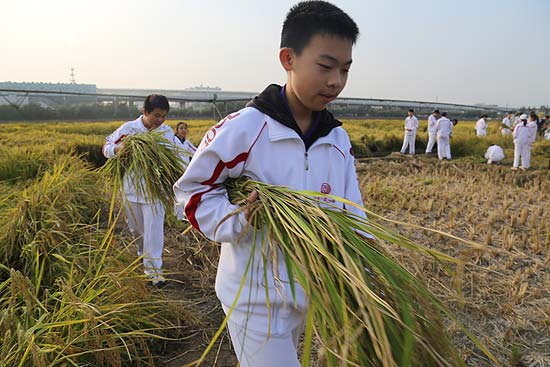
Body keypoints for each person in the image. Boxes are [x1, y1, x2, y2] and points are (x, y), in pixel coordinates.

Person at [174, 2, 369, 365]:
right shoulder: (245, 128)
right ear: (288, 59)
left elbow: (353, 215)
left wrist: (362, 275)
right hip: (253, 296)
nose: (336, 81)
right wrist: (239, 218)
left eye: (345, 70)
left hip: (308, 290)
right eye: (325, 67)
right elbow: (193, 192)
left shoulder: (337, 140)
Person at [103, 95, 174, 287]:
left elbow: (176, 156)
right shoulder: (129, 129)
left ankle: (155, 273)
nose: (160, 121)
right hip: (131, 189)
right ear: (145, 112)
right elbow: (106, 147)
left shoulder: (166, 132)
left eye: (163, 117)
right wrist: (119, 149)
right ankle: (142, 256)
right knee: (137, 230)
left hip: (155, 190)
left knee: (154, 231)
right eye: (156, 116)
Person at [173, 121, 196, 221]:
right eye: (181, 128)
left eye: (185, 128)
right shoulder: (173, 141)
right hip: (176, 170)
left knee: (185, 193)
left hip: (185, 172)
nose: (183, 130)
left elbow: (196, 152)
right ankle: (178, 217)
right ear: (177, 131)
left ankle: (183, 215)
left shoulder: (187, 143)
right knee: (177, 193)